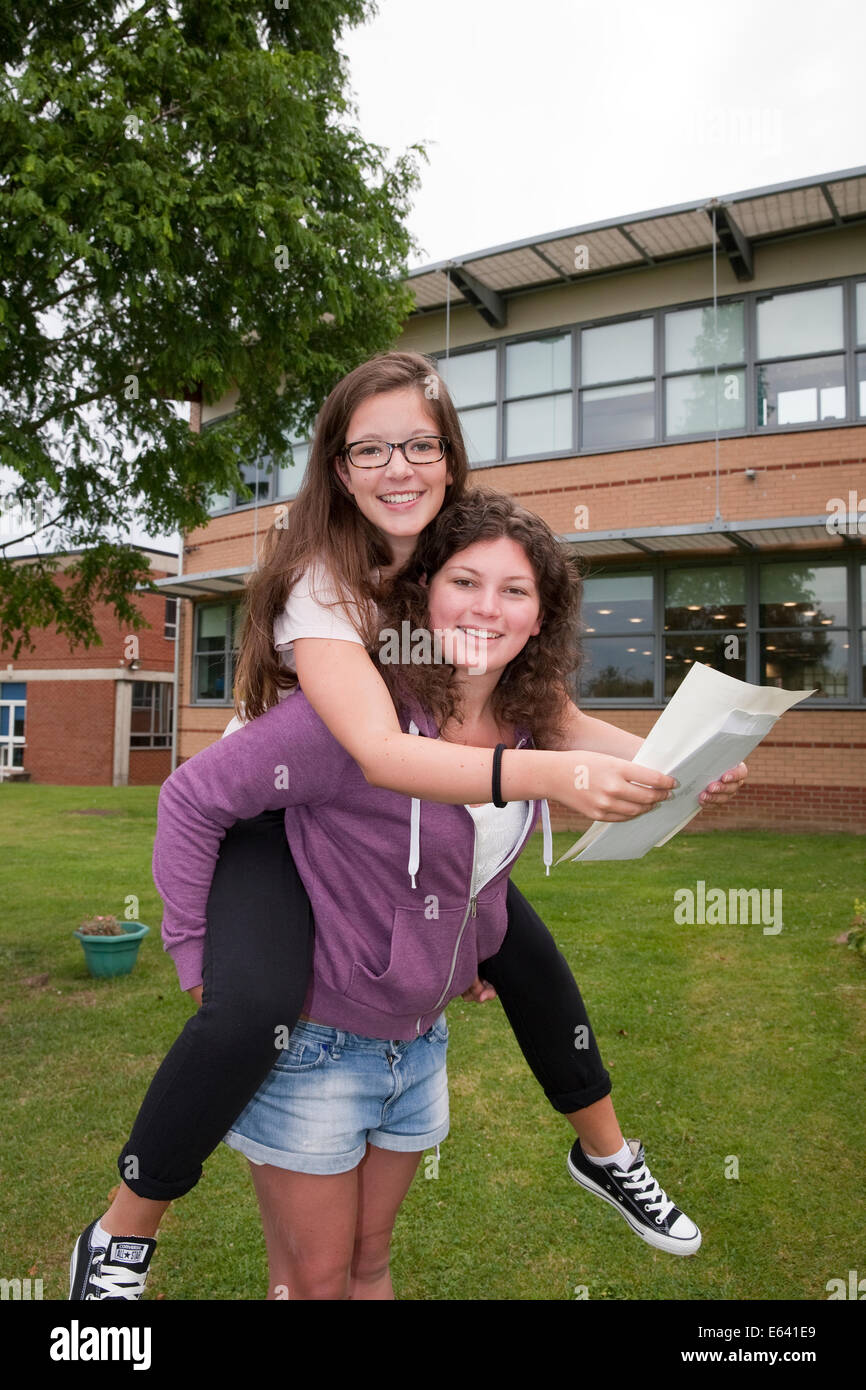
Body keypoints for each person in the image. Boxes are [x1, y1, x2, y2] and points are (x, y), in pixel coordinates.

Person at [69, 353, 746, 1300]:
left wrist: (671, 767)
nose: (399, 468)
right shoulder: (324, 580)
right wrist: (550, 777)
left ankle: (606, 1152)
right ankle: (122, 1234)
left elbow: (551, 714)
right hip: (274, 803)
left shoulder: (453, 564)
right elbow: (383, 753)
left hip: (390, 803)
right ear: (338, 469)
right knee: (248, 1008)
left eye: (421, 445)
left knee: (519, 945)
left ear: (451, 455)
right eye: (371, 449)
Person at [154, 491, 688, 1298]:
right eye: (466, 582)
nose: (487, 607)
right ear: (424, 593)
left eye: (515, 591)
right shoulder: (350, 716)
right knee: (314, 1281)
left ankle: (607, 1152)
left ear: (540, 619)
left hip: (419, 1048)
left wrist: (694, 766)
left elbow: (477, 872)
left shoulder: (524, 720)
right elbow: (191, 799)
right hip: (314, 1047)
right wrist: (196, 956)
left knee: (369, 1270)